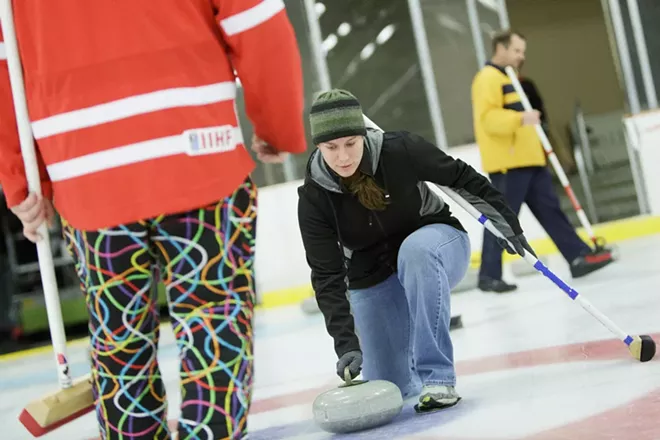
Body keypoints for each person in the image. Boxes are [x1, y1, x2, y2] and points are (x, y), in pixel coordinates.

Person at [0, 2, 306, 439]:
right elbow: (257, 24)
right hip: (200, 153)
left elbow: (6, 67)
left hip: (87, 174)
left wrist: (24, 182)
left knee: (118, 338)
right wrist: (277, 125)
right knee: (212, 318)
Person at [297, 89, 534, 412]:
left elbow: (463, 178)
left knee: (416, 251)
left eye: (350, 143)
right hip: (374, 274)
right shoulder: (315, 196)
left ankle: (438, 377)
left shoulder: (399, 150)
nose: (343, 157)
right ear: (319, 146)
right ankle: (404, 366)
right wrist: (346, 344)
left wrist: (505, 222)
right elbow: (327, 275)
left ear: (363, 135)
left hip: (436, 245)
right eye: (331, 148)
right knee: (390, 385)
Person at [471, 29, 613, 294]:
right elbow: (488, 120)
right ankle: (488, 275)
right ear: (500, 48)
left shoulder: (510, 77)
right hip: (509, 164)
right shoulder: (487, 79)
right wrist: (521, 119)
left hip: (530, 160)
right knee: (502, 219)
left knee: (551, 210)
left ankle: (577, 256)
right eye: (516, 50)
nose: (521, 56)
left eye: (522, 51)